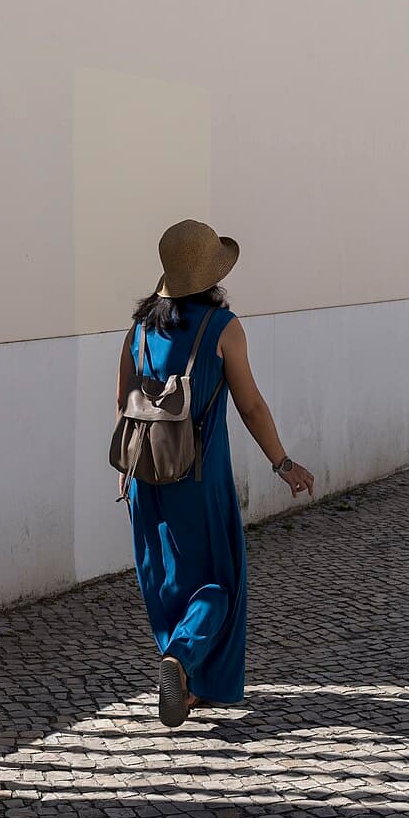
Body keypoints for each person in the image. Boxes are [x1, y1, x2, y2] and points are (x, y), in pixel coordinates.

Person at [118, 219, 314, 728]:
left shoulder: (140, 328)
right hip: (200, 479)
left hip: (146, 474)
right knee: (217, 580)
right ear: (212, 275)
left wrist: (126, 468)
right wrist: (283, 463)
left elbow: (125, 403)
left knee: (164, 578)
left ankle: (188, 683)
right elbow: (249, 404)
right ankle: (182, 658)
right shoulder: (223, 329)